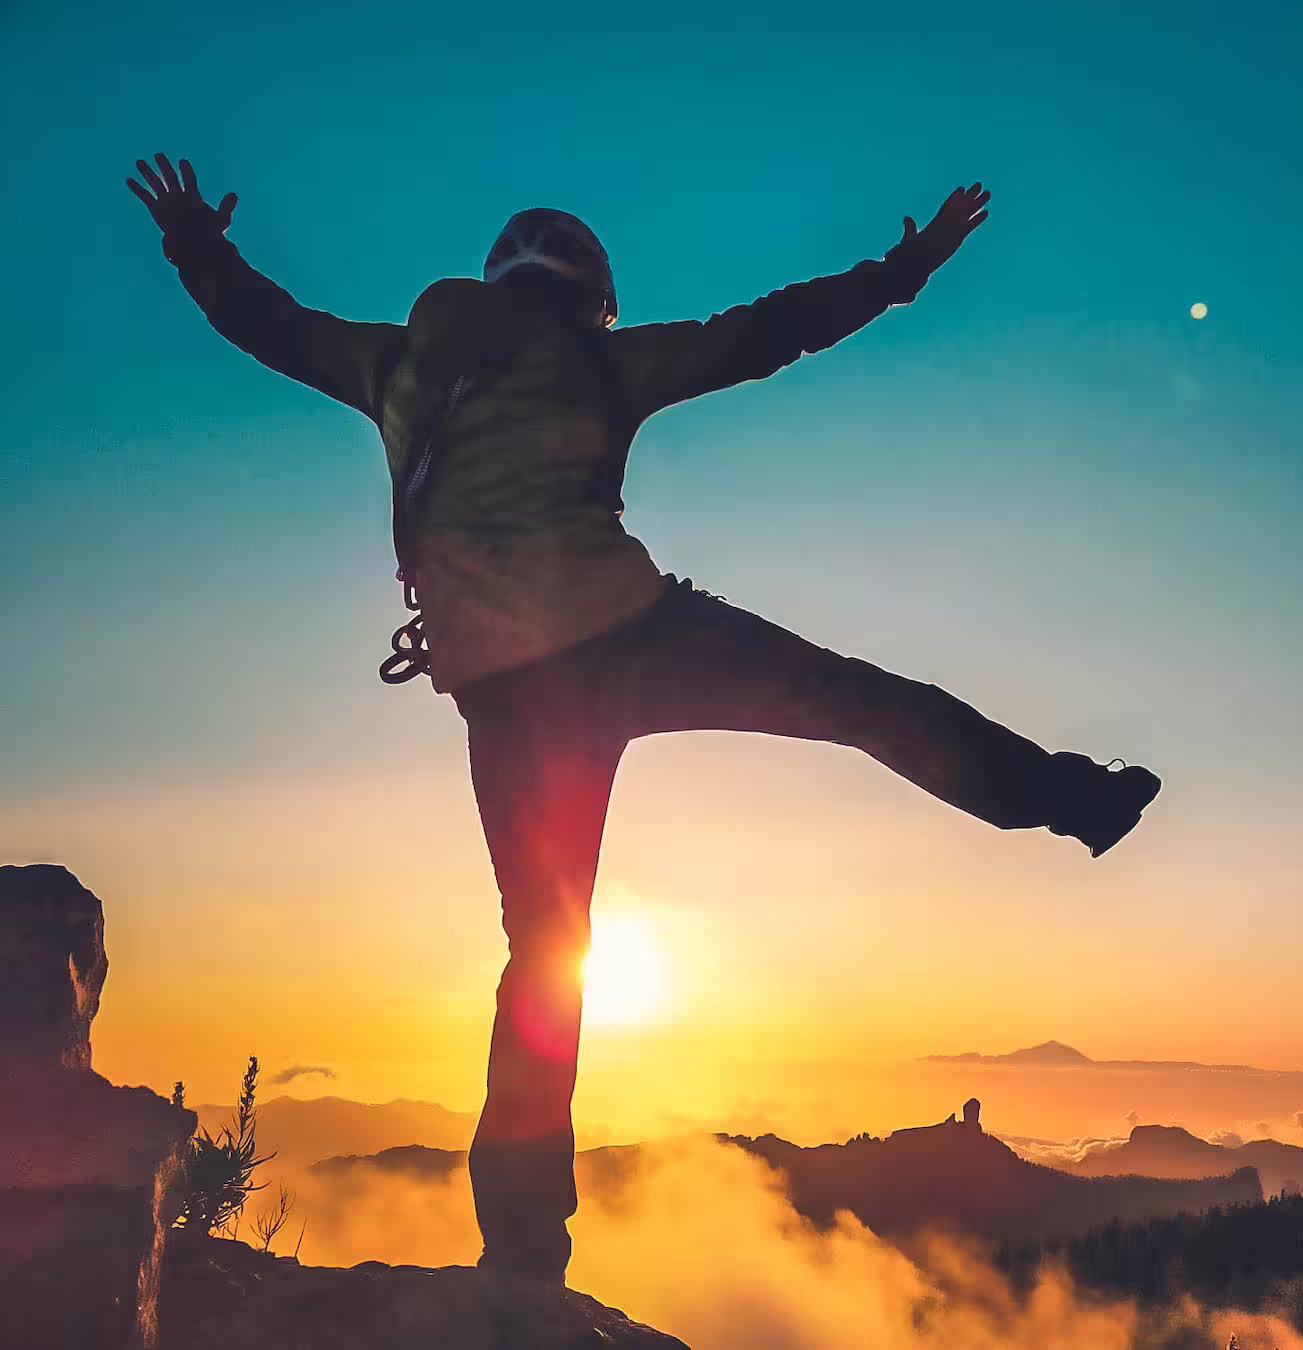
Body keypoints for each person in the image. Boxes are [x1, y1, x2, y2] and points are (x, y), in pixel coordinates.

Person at [127, 153, 1162, 1282]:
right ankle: (1072, 801)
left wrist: (194, 241)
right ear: (590, 290)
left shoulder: (395, 363)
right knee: (858, 700)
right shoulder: (599, 357)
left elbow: (263, 323)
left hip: (509, 693)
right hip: (630, 638)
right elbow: (769, 332)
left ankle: (523, 1258)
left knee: (545, 958)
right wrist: (903, 271)